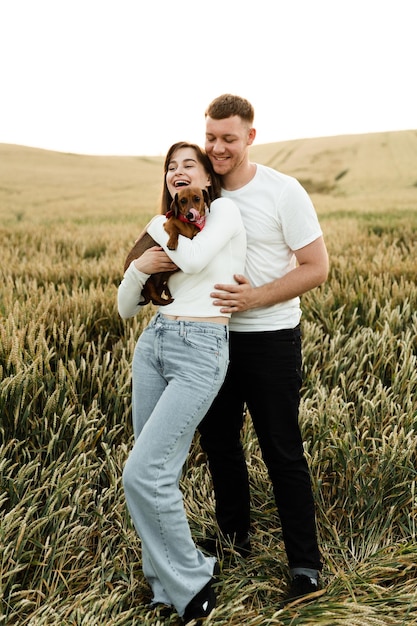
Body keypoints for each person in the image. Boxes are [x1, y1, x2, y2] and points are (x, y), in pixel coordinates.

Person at [197, 94, 329, 603]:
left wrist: (253, 298)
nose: (217, 147)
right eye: (211, 136)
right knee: (220, 445)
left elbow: (316, 267)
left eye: (228, 138)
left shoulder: (282, 191)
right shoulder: (199, 190)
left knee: (282, 449)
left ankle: (304, 565)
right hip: (210, 341)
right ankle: (235, 540)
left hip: (272, 341)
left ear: (250, 137)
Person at [118, 141, 246, 624]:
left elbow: (190, 262)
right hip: (154, 343)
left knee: (141, 474)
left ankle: (192, 583)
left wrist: (156, 235)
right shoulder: (167, 227)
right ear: (170, 188)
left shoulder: (224, 214)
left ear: (206, 182)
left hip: (201, 348)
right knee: (159, 474)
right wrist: (138, 267)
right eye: (171, 167)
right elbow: (125, 307)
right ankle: (162, 582)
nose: (179, 172)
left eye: (189, 165)